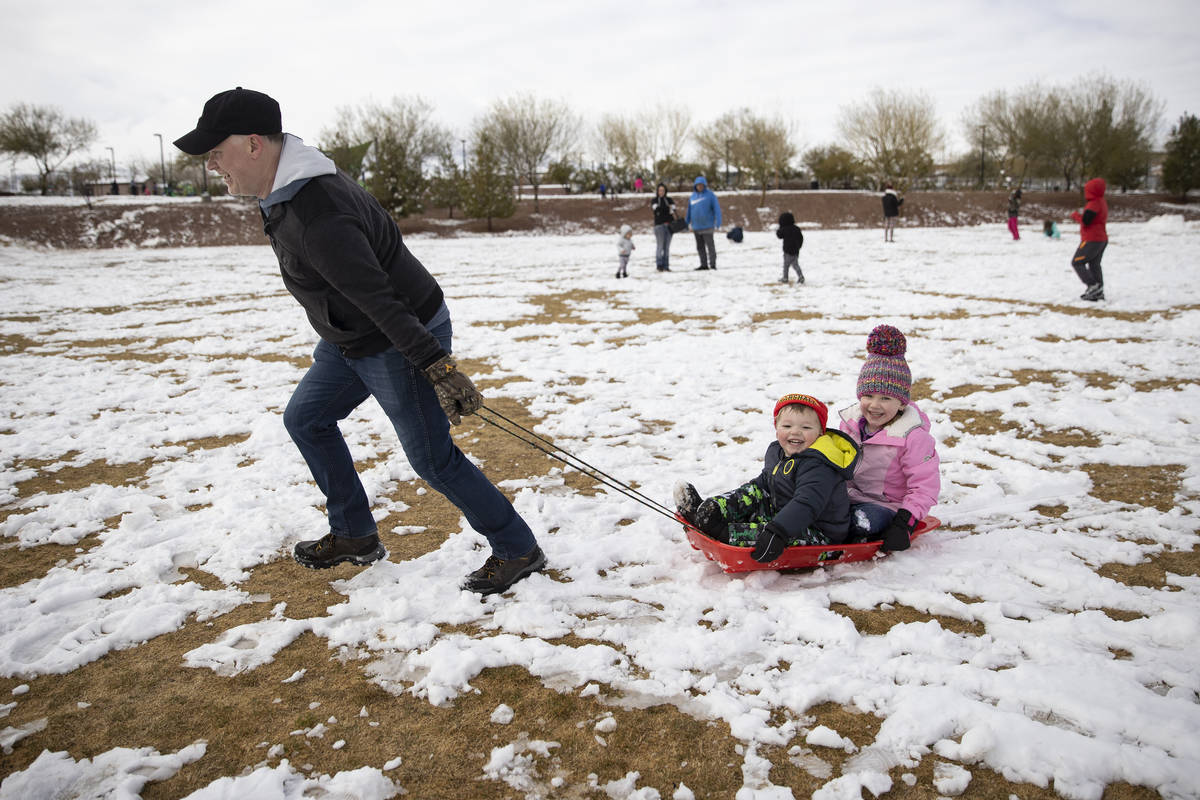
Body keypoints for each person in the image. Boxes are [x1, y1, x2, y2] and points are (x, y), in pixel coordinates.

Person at [173, 87, 544, 596]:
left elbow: (381, 298)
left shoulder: (316, 209)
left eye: (217, 151)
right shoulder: (283, 189)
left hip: (396, 334)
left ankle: (517, 546)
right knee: (307, 418)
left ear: (254, 144)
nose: (213, 163)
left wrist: (436, 366)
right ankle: (354, 533)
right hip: (351, 337)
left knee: (433, 460)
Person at [674, 394, 860, 564]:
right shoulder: (777, 452)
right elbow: (763, 485)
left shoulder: (820, 466)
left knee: (761, 532)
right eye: (787, 426)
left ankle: (722, 532)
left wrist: (778, 531)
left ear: (821, 433)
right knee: (754, 492)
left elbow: (806, 504)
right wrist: (731, 504)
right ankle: (708, 512)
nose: (795, 432)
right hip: (781, 512)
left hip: (818, 533)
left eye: (806, 427)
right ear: (776, 428)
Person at [837, 325, 940, 552]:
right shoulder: (850, 424)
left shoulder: (913, 437)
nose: (874, 405)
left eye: (885, 398)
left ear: (901, 403)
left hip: (886, 507)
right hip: (847, 496)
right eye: (868, 395)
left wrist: (904, 523)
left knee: (860, 522)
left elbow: (924, 487)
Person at [1070, 177, 1108, 301]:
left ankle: (1093, 285)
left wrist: (1076, 216)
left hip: (1092, 239)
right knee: (1094, 264)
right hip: (1101, 238)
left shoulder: (1093, 204)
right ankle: (1098, 290)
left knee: (1077, 262)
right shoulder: (1101, 201)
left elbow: (1086, 221)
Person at [685, 176, 722, 270]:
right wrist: (686, 222)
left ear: (704, 185)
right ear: (695, 186)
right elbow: (689, 210)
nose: (700, 186)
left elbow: (717, 209)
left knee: (710, 247)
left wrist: (718, 221)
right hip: (696, 227)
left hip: (708, 226)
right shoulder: (692, 196)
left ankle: (712, 264)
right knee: (700, 247)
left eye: (701, 185)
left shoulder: (710, 195)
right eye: (698, 185)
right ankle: (703, 264)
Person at [651, 183, 676, 271]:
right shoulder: (654, 200)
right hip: (659, 226)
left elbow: (673, 210)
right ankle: (659, 265)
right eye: (659, 190)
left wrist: (663, 209)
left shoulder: (669, 199)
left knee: (667, 247)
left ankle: (666, 265)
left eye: (663, 190)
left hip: (669, 226)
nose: (661, 192)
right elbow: (657, 210)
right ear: (657, 191)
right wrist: (666, 208)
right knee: (660, 246)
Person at [776, 211, 805, 284]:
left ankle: (786, 278)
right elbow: (801, 238)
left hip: (787, 251)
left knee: (786, 265)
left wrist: (780, 228)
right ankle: (799, 276)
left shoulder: (784, 229)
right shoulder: (796, 228)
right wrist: (799, 247)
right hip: (795, 250)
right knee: (795, 264)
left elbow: (779, 235)